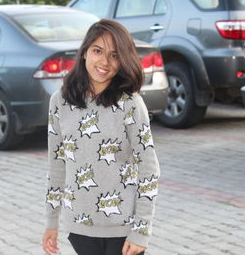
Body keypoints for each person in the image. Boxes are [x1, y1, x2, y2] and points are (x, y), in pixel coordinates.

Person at [42, 19, 160, 255]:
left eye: (114, 55)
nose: (104, 62)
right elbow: (57, 164)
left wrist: (141, 231)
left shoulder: (130, 104)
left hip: (124, 233)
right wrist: (51, 222)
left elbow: (149, 169)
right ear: (85, 51)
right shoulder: (60, 101)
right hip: (80, 228)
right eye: (98, 51)